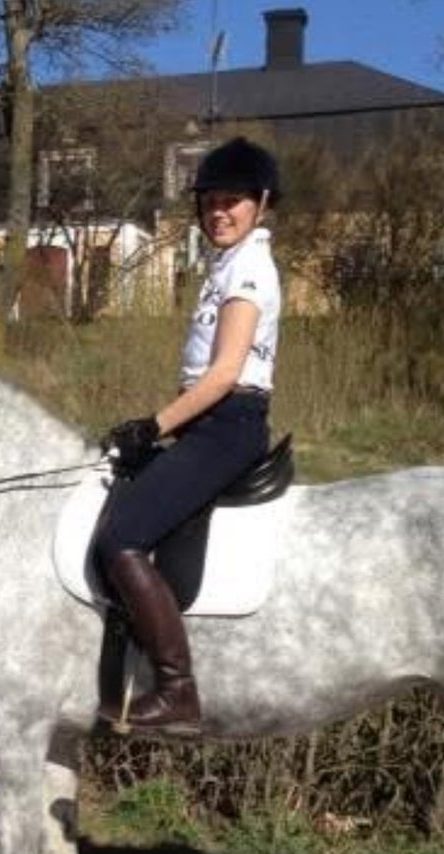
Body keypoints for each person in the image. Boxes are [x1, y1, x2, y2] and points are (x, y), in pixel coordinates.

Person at [94, 136, 282, 734]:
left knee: (120, 537)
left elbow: (225, 374)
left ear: (261, 204)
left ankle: (178, 690)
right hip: (206, 422)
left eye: (234, 202)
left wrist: (154, 425)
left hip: (228, 426)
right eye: (211, 203)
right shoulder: (222, 267)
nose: (220, 212)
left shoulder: (250, 268)